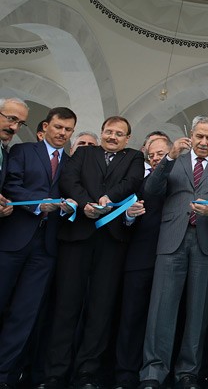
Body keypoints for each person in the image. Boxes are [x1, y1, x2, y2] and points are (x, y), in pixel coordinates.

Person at [46, 116, 144, 389]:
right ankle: (55, 372)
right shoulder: (84, 152)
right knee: (66, 306)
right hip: (77, 237)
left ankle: (87, 372)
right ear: (102, 132)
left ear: (127, 138)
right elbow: (69, 179)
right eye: (109, 131)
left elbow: (133, 181)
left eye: (119, 134)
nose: (113, 137)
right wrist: (85, 202)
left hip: (112, 241)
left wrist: (108, 198)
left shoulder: (134, 157)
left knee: (100, 309)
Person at [139, 116, 208, 389]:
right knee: (161, 309)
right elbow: (152, 189)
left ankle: (188, 373)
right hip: (172, 240)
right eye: (200, 136)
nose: (204, 142)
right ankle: (153, 372)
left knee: (198, 309)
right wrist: (168, 157)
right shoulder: (175, 160)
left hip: (206, 242)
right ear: (191, 135)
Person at [0, 107, 76, 388]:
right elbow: (11, 185)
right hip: (13, 241)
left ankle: (4, 375)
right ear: (46, 126)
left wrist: (70, 207)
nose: (62, 134)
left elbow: (72, 196)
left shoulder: (70, 163)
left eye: (68, 130)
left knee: (24, 314)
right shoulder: (23, 152)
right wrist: (37, 203)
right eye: (58, 127)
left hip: (46, 248)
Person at [113, 136, 172, 389]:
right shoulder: (141, 182)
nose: (157, 158)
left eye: (162, 153)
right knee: (132, 316)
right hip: (141, 257)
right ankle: (125, 372)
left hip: (173, 258)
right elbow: (126, 215)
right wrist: (128, 215)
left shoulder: (185, 180)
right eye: (153, 155)